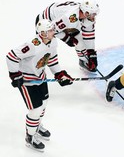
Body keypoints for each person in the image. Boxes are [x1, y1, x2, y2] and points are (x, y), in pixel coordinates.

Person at [6, 19, 74, 152]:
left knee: (44, 103)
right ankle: (30, 137)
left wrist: (59, 74)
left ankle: (36, 126)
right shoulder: (32, 44)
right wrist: (15, 76)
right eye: (50, 30)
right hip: (27, 81)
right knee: (35, 110)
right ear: (42, 33)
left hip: (40, 77)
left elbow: (52, 59)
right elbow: (11, 56)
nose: (53, 32)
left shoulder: (52, 41)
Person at [35, 0, 100, 73]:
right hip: (45, 24)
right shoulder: (69, 18)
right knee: (46, 50)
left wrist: (91, 54)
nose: (94, 16)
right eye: (92, 14)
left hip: (60, 22)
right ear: (86, 12)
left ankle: (84, 61)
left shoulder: (86, 16)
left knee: (79, 41)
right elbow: (51, 30)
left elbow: (89, 35)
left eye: (95, 14)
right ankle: (33, 70)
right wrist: (66, 38)